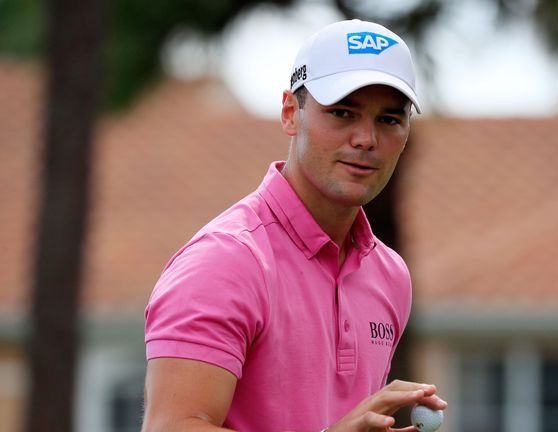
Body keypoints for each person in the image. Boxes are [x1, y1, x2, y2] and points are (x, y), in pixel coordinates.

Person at [141, 19, 447, 432]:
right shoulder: (225, 261)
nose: (365, 139)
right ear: (290, 113)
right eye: (342, 112)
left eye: (389, 120)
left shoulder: (390, 276)